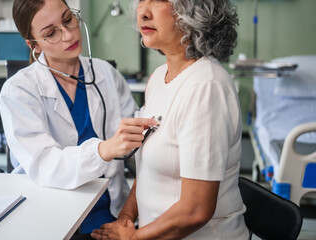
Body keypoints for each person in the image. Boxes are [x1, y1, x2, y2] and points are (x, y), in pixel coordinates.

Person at [91, 0, 249, 239]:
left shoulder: (205, 86)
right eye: (141, 2)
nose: (142, 13)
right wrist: (125, 218)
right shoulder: (157, 79)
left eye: (158, 1)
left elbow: (195, 211)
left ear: (194, 11)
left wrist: (132, 237)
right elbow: (148, 172)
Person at [0, 0, 156, 236]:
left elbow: (137, 145)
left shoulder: (106, 74)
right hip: (50, 215)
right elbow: (46, 164)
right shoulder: (19, 91)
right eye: (51, 33)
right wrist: (104, 150)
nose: (67, 35)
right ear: (34, 45)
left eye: (67, 20)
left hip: (110, 211)